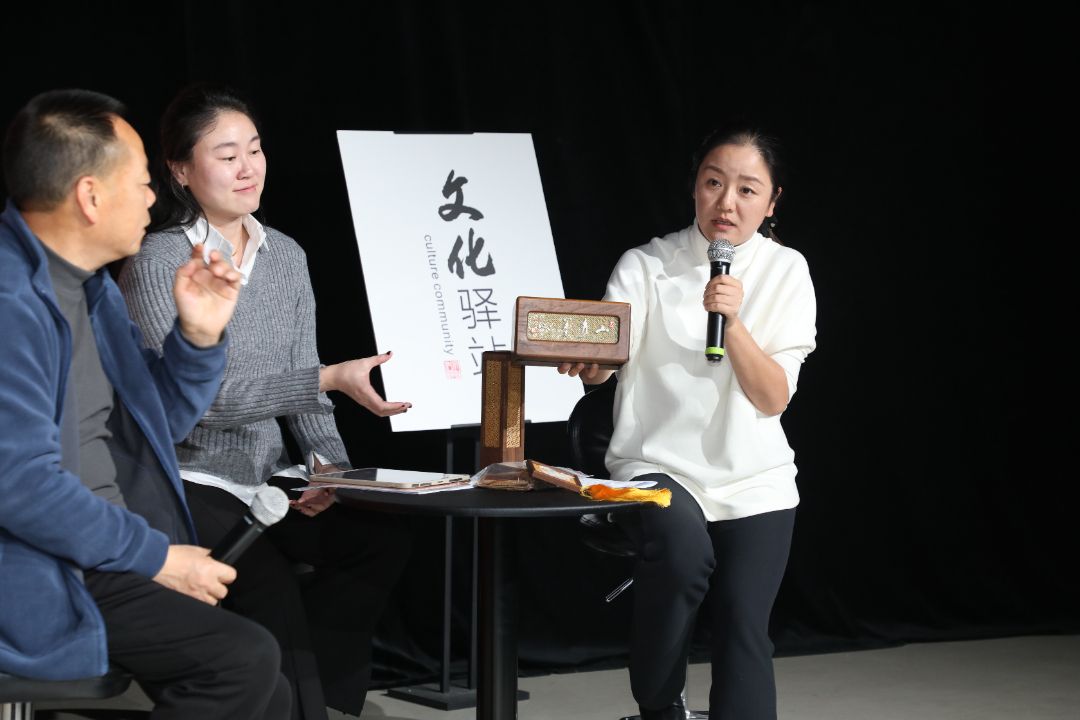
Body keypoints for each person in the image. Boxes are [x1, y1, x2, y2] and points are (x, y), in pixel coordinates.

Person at [118, 83, 412, 720]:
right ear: (180, 170)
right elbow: (194, 403)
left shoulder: (286, 256)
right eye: (227, 156)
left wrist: (330, 468)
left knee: (377, 539)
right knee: (268, 584)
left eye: (254, 150)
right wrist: (325, 380)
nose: (248, 167)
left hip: (267, 477)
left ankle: (322, 703)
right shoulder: (158, 260)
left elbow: (306, 378)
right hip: (183, 476)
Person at [0, 89, 290, 719]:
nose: (153, 198)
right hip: (43, 568)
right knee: (241, 663)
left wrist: (199, 338)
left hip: (101, 549)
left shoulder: (92, 288)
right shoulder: (10, 303)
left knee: (272, 691)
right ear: (90, 196)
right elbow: (19, 485)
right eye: (140, 183)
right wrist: (155, 557)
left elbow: (160, 422)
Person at [559, 126, 817, 719]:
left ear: (772, 202)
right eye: (713, 183)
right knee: (682, 555)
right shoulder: (647, 263)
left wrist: (734, 320)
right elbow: (609, 355)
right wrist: (591, 366)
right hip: (656, 465)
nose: (727, 202)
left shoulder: (787, 271)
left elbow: (773, 397)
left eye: (747, 190)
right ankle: (660, 708)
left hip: (755, 476)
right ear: (695, 187)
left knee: (744, 626)